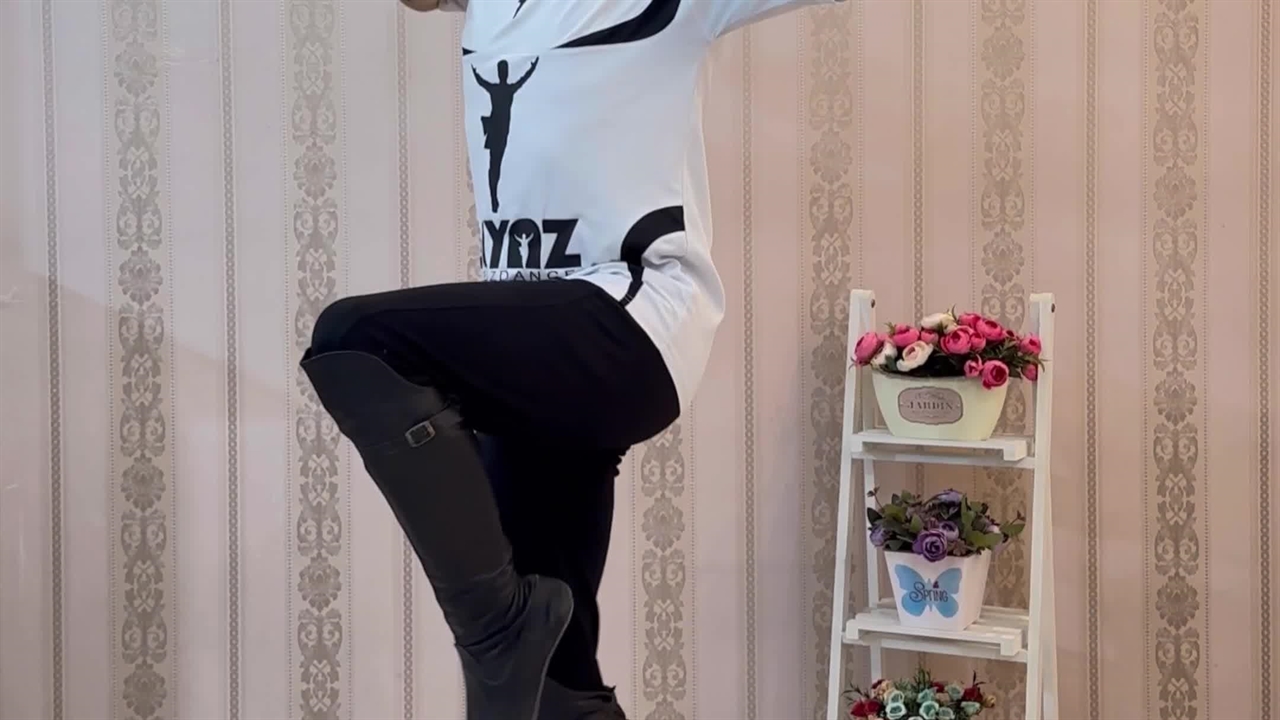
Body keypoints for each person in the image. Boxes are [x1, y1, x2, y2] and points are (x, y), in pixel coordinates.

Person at [302, 0, 847, 718]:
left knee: (356, 338)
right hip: (536, 344)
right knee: (552, 687)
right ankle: (533, 660)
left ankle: (497, 630)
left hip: (632, 326)